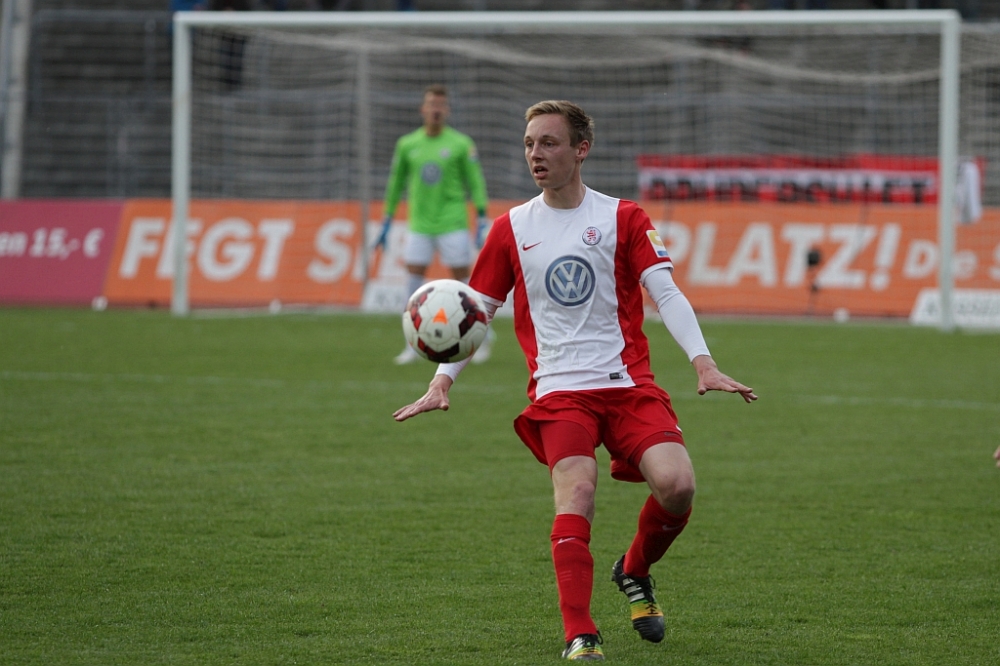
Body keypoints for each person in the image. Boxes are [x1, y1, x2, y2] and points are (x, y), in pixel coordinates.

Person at [393, 100, 757, 661]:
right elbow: (476, 311)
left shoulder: (624, 217)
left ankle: (634, 569)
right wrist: (443, 381)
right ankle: (580, 633)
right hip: (559, 391)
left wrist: (703, 362)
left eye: (549, 142)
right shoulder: (511, 228)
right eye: (529, 144)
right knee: (578, 492)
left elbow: (666, 293)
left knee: (678, 486)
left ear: (581, 149)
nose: (535, 154)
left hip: (627, 384)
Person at [375, 84, 494, 365]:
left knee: (464, 282)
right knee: (413, 280)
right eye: (431, 104)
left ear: (447, 110)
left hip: (453, 222)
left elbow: (475, 181)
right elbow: (396, 183)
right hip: (420, 224)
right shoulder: (407, 144)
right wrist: (387, 218)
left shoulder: (461, 144)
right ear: (423, 109)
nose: (436, 109)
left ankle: (482, 337)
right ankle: (411, 343)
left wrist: (481, 215)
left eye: (441, 105)